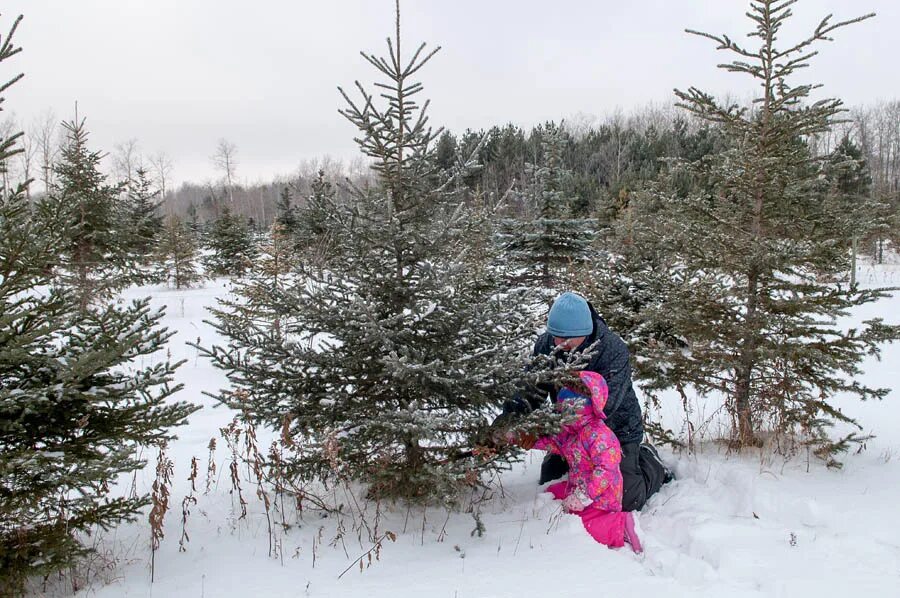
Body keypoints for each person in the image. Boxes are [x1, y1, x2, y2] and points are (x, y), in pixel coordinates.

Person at [502, 291, 672, 512]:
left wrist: (564, 407)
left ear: (585, 332)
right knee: (550, 481)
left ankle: (650, 462)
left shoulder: (612, 349)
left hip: (617, 429)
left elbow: (606, 405)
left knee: (627, 499)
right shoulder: (547, 345)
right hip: (570, 429)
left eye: (565, 338)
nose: (557, 342)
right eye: (554, 335)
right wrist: (511, 421)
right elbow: (531, 388)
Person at [527, 370, 641, 551]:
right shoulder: (571, 431)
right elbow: (553, 442)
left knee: (585, 526)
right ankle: (573, 504)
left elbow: (606, 469)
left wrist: (584, 496)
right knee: (552, 492)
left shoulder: (599, 435)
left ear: (590, 405)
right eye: (563, 402)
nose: (566, 409)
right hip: (579, 485)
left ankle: (621, 524)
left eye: (573, 404)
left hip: (602, 497)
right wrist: (526, 439)